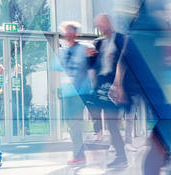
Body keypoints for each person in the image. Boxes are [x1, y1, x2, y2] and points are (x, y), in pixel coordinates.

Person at [86, 14, 133, 169]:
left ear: (108, 23)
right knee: (110, 123)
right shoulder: (98, 43)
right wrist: (89, 57)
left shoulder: (121, 39)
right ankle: (120, 155)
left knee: (112, 124)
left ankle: (121, 156)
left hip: (116, 86)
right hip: (101, 86)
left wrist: (121, 88)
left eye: (101, 24)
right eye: (97, 26)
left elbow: (127, 63)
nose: (99, 28)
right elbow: (92, 66)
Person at [52, 21, 93, 165]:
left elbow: (92, 68)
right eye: (66, 31)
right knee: (71, 124)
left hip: (80, 93)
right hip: (67, 93)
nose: (68, 34)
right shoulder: (60, 52)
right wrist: (57, 91)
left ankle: (79, 155)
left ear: (76, 33)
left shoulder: (85, 49)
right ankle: (80, 152)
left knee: (75, 124)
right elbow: (57, 72)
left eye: (71, 31)